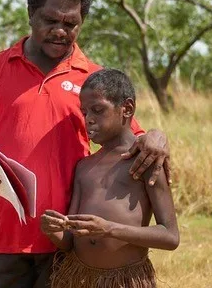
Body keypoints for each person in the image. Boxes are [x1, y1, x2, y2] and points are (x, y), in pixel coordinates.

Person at [0, 0, 171, 287]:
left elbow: (131, 140)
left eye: (71, 24)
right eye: (50, 20)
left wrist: (157, 136)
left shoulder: (93, 80)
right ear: (31, 13)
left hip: (69, 242)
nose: (60, 31)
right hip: (5, 238)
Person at [41, 68, 179, 288]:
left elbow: (170, 236)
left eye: (98, 110)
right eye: (85, 112)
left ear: (127, 108)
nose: (89, 120)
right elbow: (69, 241)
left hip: (124, 280)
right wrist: (55, 230)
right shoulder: (84, 166)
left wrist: (109, 229)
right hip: (80, 277)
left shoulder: (145, 161)